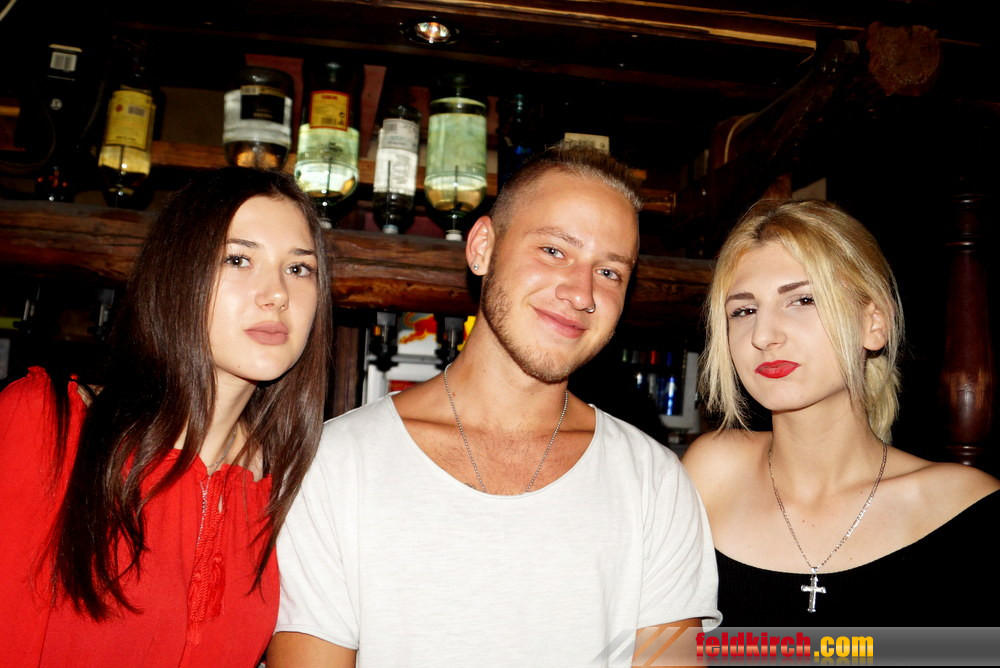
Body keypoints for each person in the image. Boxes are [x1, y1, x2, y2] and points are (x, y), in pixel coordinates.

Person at [268, 144, 720, 667]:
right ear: (482, 247)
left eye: (610, 273)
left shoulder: (654, 481)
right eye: (554, 250)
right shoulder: (334, 464)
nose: (582, 293)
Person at [0, 167, 332, 666]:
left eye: (299, 268)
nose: (278, 293)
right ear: (177, 275)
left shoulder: (288, 487)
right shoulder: (49, 424)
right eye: (238, 259)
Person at [683, 199, 1000, 626]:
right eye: (744, 310)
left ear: (874, 324)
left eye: (802, 300)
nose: (763, 335)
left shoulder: (962, 503)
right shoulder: (711, 472)